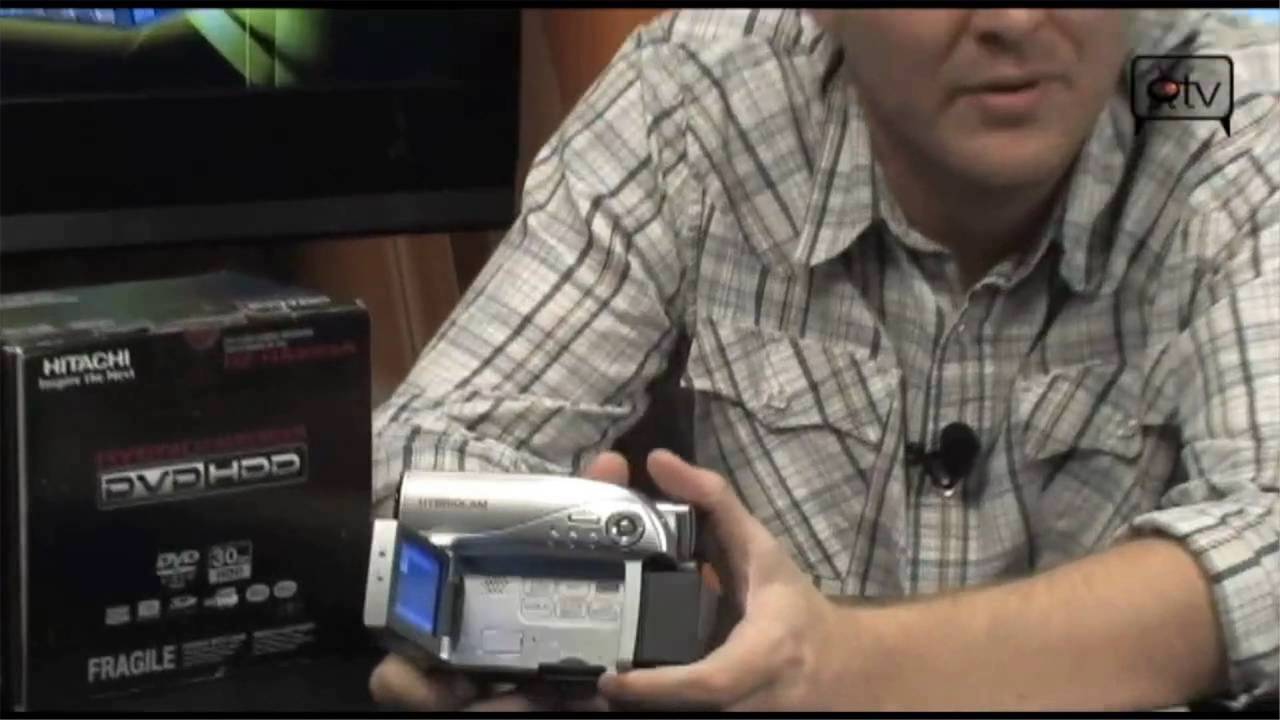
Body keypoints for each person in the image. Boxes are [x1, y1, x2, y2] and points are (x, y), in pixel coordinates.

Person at [366, 8, 1278, 712]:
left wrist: (840, 663)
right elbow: (427, 450)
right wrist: (523, 621)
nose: (1013, 20)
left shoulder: (1231, 106)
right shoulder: (698, 94)